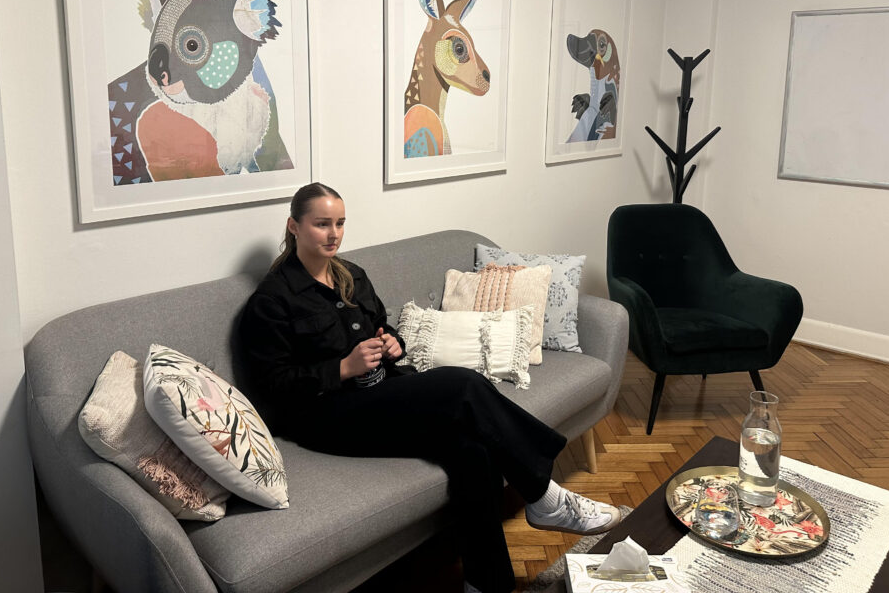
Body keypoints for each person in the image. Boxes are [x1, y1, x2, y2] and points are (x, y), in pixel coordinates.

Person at [238, 183, 622, 593]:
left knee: (471, 448)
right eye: (321, 224)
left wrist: (392, 342)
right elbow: (273, 388)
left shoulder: (351, 276)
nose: (333, 234)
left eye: (340, 223)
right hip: (327, 416)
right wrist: (342, 368)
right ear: (294, 226)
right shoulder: (272, 301)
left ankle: (485, 583)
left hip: (382, 392)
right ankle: (544, 494)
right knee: (462, 385)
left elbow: (382, 325)